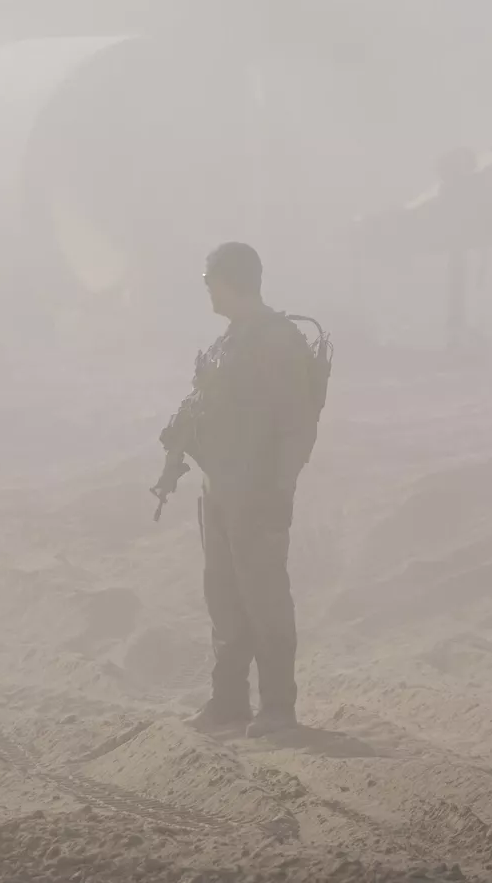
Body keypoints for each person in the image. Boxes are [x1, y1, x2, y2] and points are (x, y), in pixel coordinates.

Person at [161, 242, 320, 737]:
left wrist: (279, 487)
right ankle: (228, 703)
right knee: (224, 596)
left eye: (209, 279)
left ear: (229, 280)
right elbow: (206, 404)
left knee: (265, 596)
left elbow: (297, 423)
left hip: (256, 489)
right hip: (221, 486)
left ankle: (278, 708)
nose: (206, 288)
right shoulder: (230, 340)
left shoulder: (277, 341)